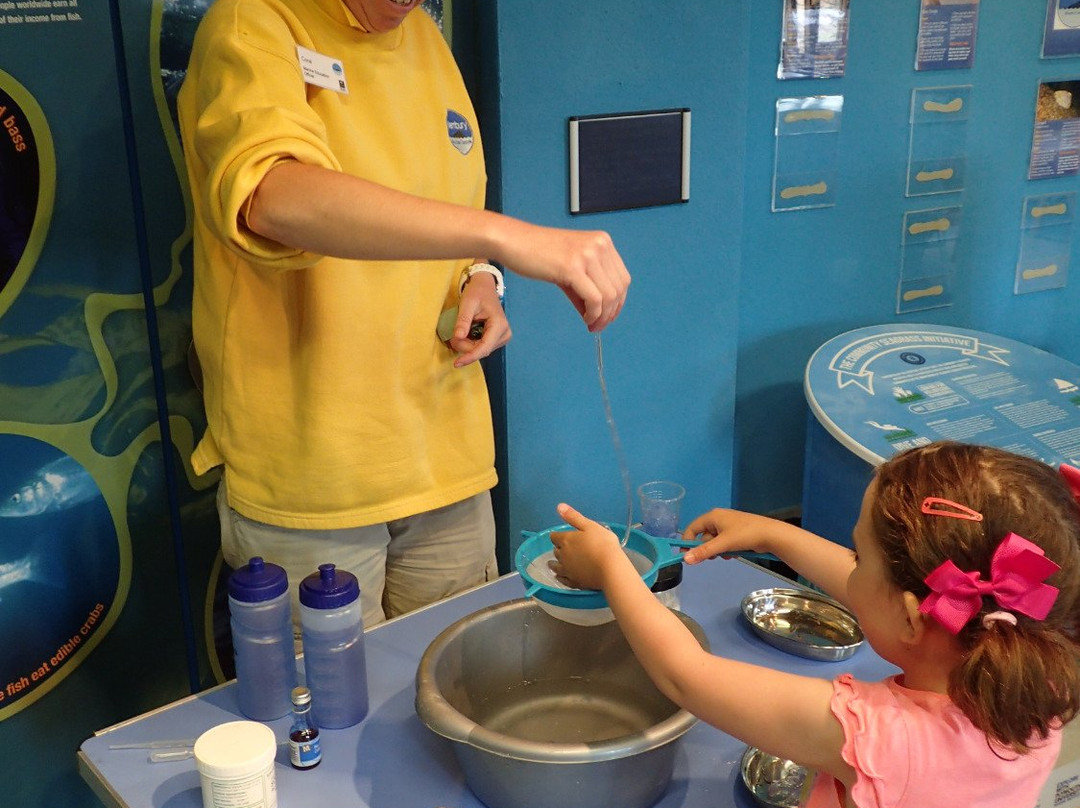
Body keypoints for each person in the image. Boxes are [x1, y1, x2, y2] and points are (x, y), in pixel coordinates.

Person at [176, 0, 631, 633]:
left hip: (444, 455)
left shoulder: (423, 37)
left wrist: (482, 276)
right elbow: (271, 198)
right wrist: (507, 236)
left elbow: (444, 200)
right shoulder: (255, 21)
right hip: (315, 476)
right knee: (333, 693)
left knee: (464, 676)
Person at [551, 442, 1080, 808]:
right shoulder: (1039, 683)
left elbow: (684, 674)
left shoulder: (880, 738)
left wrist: (611, 567)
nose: (851, 567)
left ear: (912, 616)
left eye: (860, 556)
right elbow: (882, 595)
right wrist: (773, 535)